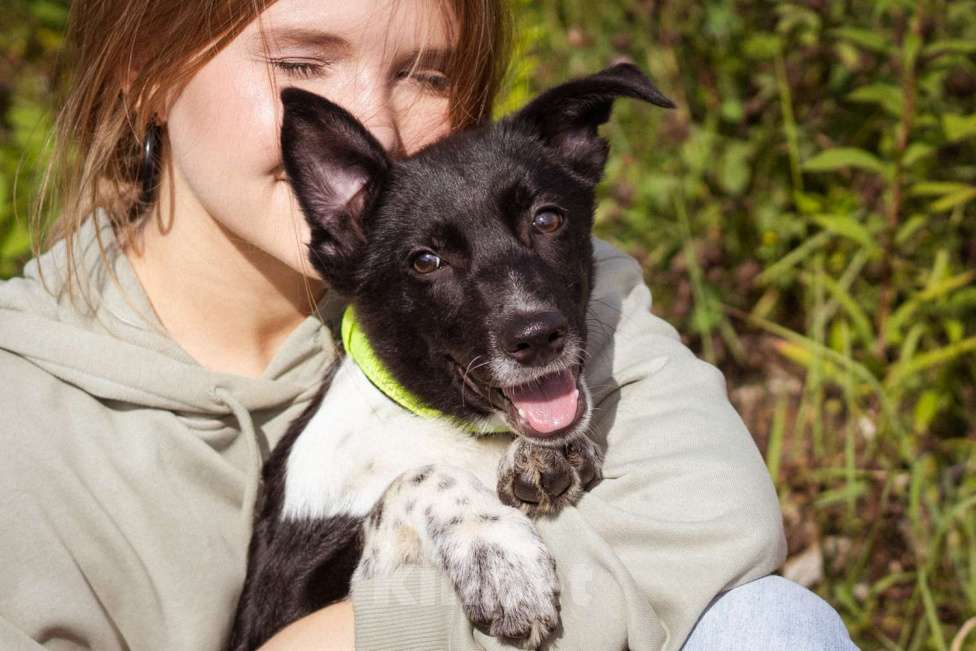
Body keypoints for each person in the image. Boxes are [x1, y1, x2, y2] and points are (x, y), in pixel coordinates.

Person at [0, 0, 858, 649]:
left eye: (427, 74)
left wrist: (369, 633)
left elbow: (720, 519)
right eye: (302, 63)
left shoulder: (542, 288)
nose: (374, 121)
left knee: (767, 619)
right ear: (143, 69)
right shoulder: (25, 419)